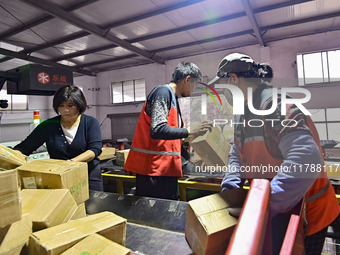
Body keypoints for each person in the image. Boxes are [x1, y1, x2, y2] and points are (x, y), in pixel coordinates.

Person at [208, 53, 339, 255]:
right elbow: (237, 149)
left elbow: (306, 158)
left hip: (306, 213)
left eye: (223, 87)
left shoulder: (274, 105)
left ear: (234, 79)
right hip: (279, 208)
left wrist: (261, 207)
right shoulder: (245, 111)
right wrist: (230, 188)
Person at [124, 62, 212, 200]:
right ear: (187, 79)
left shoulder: (173, 99)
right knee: (157, 215)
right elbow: (158, 129)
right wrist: (189, 131)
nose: (194, 89)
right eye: (194, 84)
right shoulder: (163, 92)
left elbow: (173, 141)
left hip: (164, 170)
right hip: (153, 171)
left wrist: (191, 158)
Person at [14, 85, 103, 191]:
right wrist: (9, 157)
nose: (65, 110)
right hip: (59, 177)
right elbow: (25, 147)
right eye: (61, 106)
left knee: (92, 206)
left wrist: (70, 163)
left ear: (79, 105)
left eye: (70, 106)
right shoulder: (48, 125)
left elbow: (94, 149)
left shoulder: (90, 122)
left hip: (88, 176)